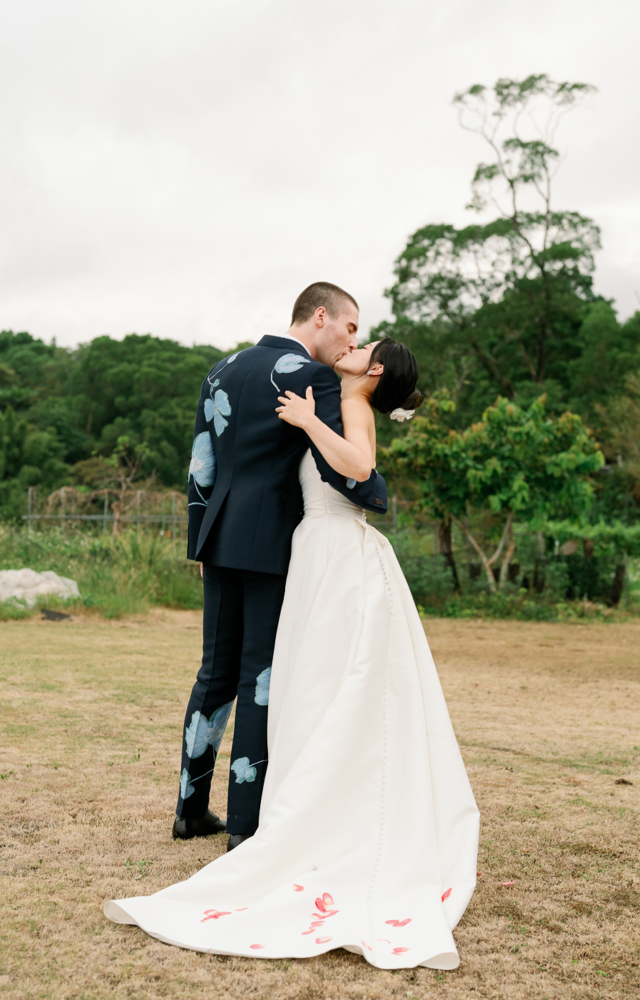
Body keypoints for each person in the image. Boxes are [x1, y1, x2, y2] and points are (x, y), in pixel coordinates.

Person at [105, 330, 480, 971]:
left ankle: (261, 815)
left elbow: (361, 470)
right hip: (312, 554)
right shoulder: (331, 391)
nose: (352, 345)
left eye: (365, 344)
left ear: (376, 368)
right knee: (303, 686)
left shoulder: (341, 401)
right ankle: (264, 811)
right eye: (352, 330)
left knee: (319, 684)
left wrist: (308, 419)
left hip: (336, 557)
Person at [170, 282, 387, 849]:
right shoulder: (312, 380)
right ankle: (243, 824)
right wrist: (378, 491)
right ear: (321, 315)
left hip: (219, 539)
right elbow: (345, 470)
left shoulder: (221, 369)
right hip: (272, 546)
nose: (350, 341)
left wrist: (201, 542)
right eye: (350, 327)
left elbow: (201, 465)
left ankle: (190, 810)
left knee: (213, 675)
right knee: (259, 677)